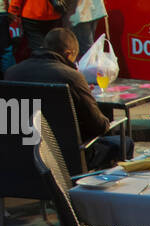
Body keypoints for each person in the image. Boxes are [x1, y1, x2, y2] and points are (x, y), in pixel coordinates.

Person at [5, 25, 125, 169]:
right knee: (124, 142)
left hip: (22, 154)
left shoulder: (12, 73)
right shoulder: (71, 77)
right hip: (67, 158)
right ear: (68, 54)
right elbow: (99, 127)